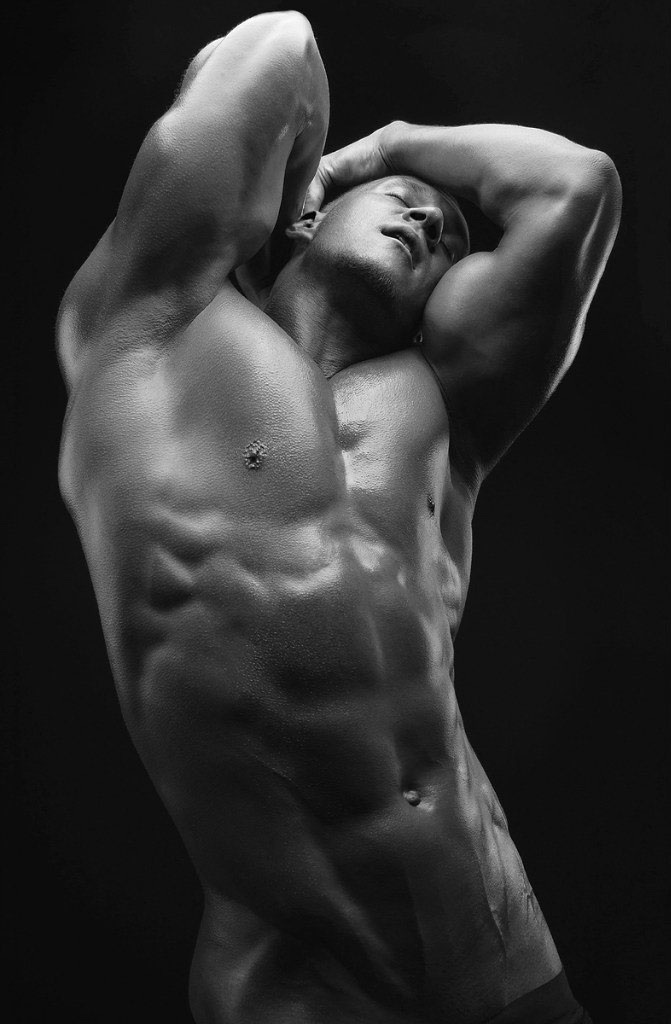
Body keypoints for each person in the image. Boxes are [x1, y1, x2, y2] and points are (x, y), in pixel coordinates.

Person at [56, 11, 620, 1024]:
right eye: (405, 203)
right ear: (307, 219)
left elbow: (575, 186)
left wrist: (394, 146)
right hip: (315, 991)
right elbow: (276, 47)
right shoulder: (151, 330)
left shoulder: (443, 409)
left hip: (516, 976)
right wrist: (330, 172)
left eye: (449, 238)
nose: (432, 224)